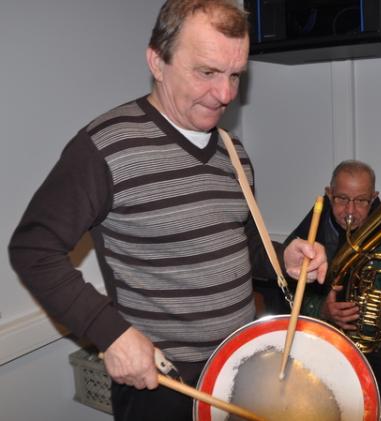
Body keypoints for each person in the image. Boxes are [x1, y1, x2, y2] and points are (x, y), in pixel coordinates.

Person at [8, 1, 327, 420]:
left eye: (235, 75)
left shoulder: (233, 151)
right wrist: (112, 334)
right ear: (157, 62)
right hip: (162, 386)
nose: (226, 94)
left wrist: (281, 257)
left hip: (239, 368)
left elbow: (239, 242)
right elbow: (33, 250)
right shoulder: (105, 147)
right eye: (207, 72)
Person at [279, 160, 381, 420]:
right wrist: (322, 310)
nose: (350, 210)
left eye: (361, 201)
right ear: (329, 194)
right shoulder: (312, 230)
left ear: (374, 198)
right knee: (307, 382)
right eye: (342, 199)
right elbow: (287, 287)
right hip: (326, 332)